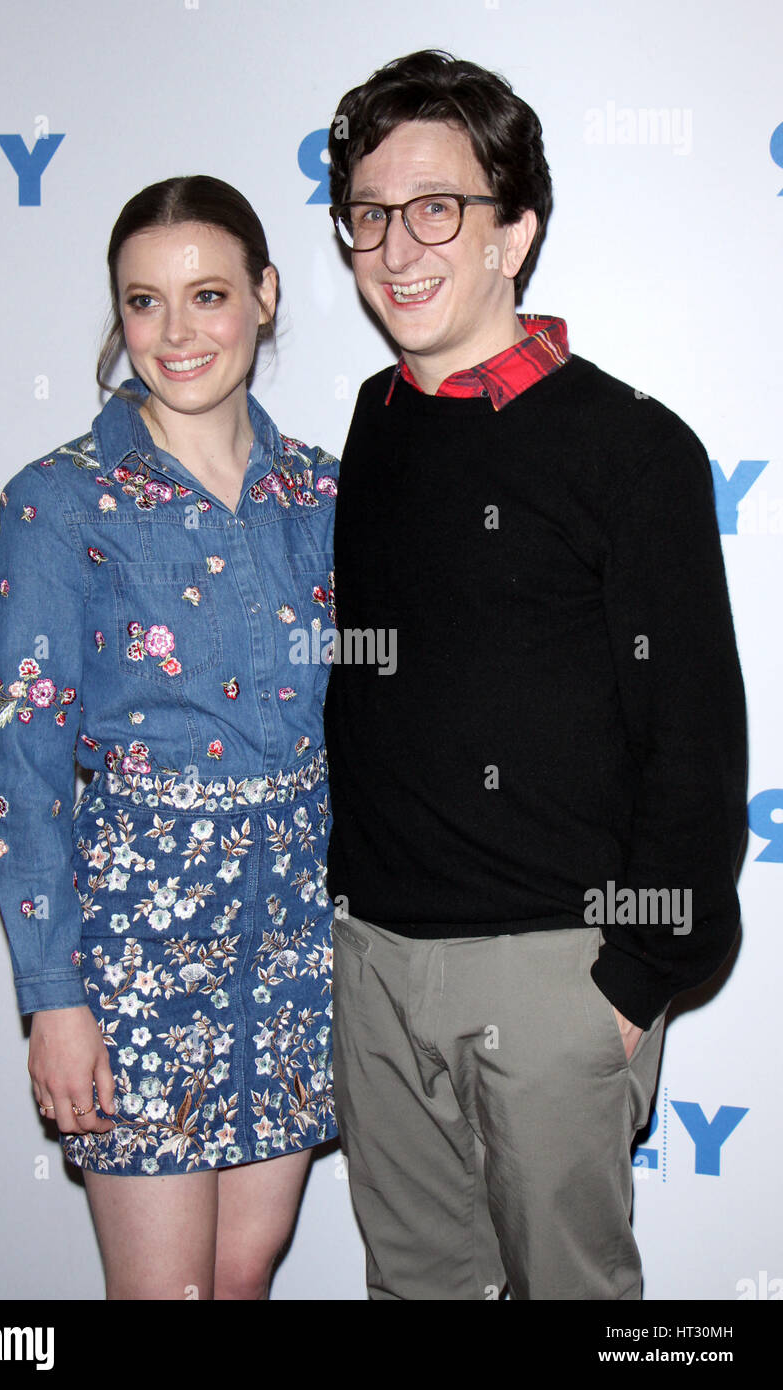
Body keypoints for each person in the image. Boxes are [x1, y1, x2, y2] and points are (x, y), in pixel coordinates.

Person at [323, 50, 747, 1300]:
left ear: (516, 230)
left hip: (557, 969)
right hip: (375, 963)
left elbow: (695, 742)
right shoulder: (372, 419)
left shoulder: (634, 448)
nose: (398, 246)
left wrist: (627, 985)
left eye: (438, 208)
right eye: (369, 214)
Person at [0, 176, 338, 1300]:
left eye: (208, 294)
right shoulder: (59, 500)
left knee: (239, 1272)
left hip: (296, 936)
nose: (176, 332)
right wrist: (55, 994)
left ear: (266, 296)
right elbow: (21, 768)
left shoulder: (325, 491)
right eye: (145, 302)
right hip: (135, 947)